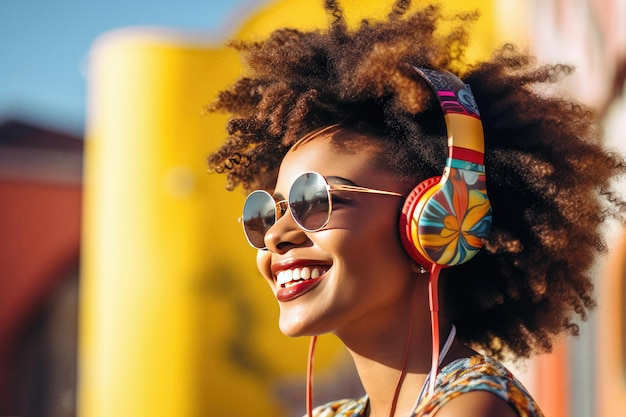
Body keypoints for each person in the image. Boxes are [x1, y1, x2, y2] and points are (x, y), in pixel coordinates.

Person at [207, 1, 626, 416]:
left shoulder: (471, 407)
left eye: (314, 201)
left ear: (435, 218)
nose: (277, 236)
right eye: (269, 212)